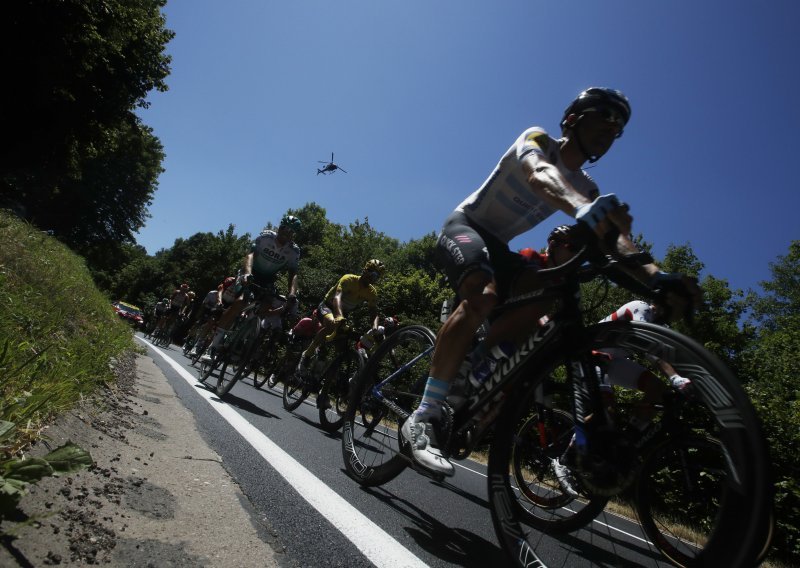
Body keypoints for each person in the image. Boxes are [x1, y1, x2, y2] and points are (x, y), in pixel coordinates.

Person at [402, 87, 701, 477]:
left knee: (545, 297)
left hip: (502, 247)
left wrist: (657, 277)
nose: (611, 131)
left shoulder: (587, 188)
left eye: (619, 129)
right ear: (573, 119)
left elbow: (616, 240)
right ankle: (423, 417)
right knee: (483, 295)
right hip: (467, 227)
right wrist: (583, 210)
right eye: (604, 118)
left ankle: (474, 366)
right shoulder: (538, 139)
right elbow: (540, 174)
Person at [206, 215, 302, 356]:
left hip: (268, 279)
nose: (285, 232)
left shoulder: (294, 251)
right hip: (251, 272)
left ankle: (243, 333)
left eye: (290, 231)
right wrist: (247, 273)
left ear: (293, 234)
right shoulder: (266, 237)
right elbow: (250, 255)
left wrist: (292, 292)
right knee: (240, 302)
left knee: (265, 306)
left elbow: (293, 273)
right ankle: (213, 346)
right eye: (284, 228)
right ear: (280, 227)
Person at [297, 259, 385, 383]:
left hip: (343, 314)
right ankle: (306, 355)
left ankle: (324, 389)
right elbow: (337, 297)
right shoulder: (349, 279)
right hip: (328, 306)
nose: (372, 276)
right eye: (371, 271)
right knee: (330, 323)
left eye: (376, 275)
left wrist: (375, 328)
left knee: (342, 347)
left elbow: (374, 312)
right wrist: (338, 316)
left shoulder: (371, 292)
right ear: (365, 269)